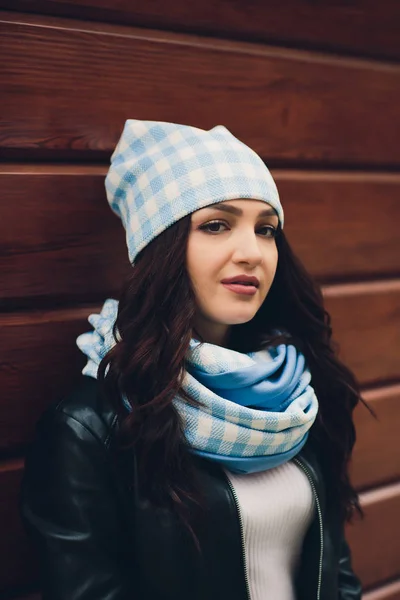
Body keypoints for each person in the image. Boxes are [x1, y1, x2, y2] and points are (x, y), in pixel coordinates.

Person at [20, 120, 363, 600]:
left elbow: (336, 572)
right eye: (216, 225)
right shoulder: (90, 429)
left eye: (266, 230)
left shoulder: (294, 393)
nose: (252, 252)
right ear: (159, 247)